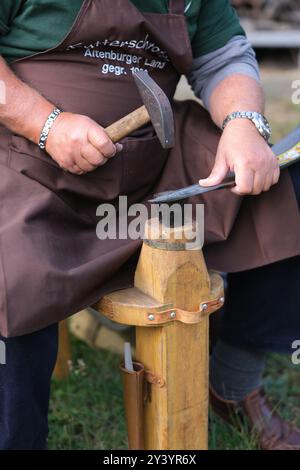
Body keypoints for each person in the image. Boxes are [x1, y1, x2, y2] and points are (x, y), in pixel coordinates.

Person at [0, 0, 299, 450]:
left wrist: (244, 123)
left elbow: (224, 55)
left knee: (285, 187)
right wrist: (45, 123)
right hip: (27, 163)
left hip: (153, 169)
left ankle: (234, 384)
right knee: (9, 272)